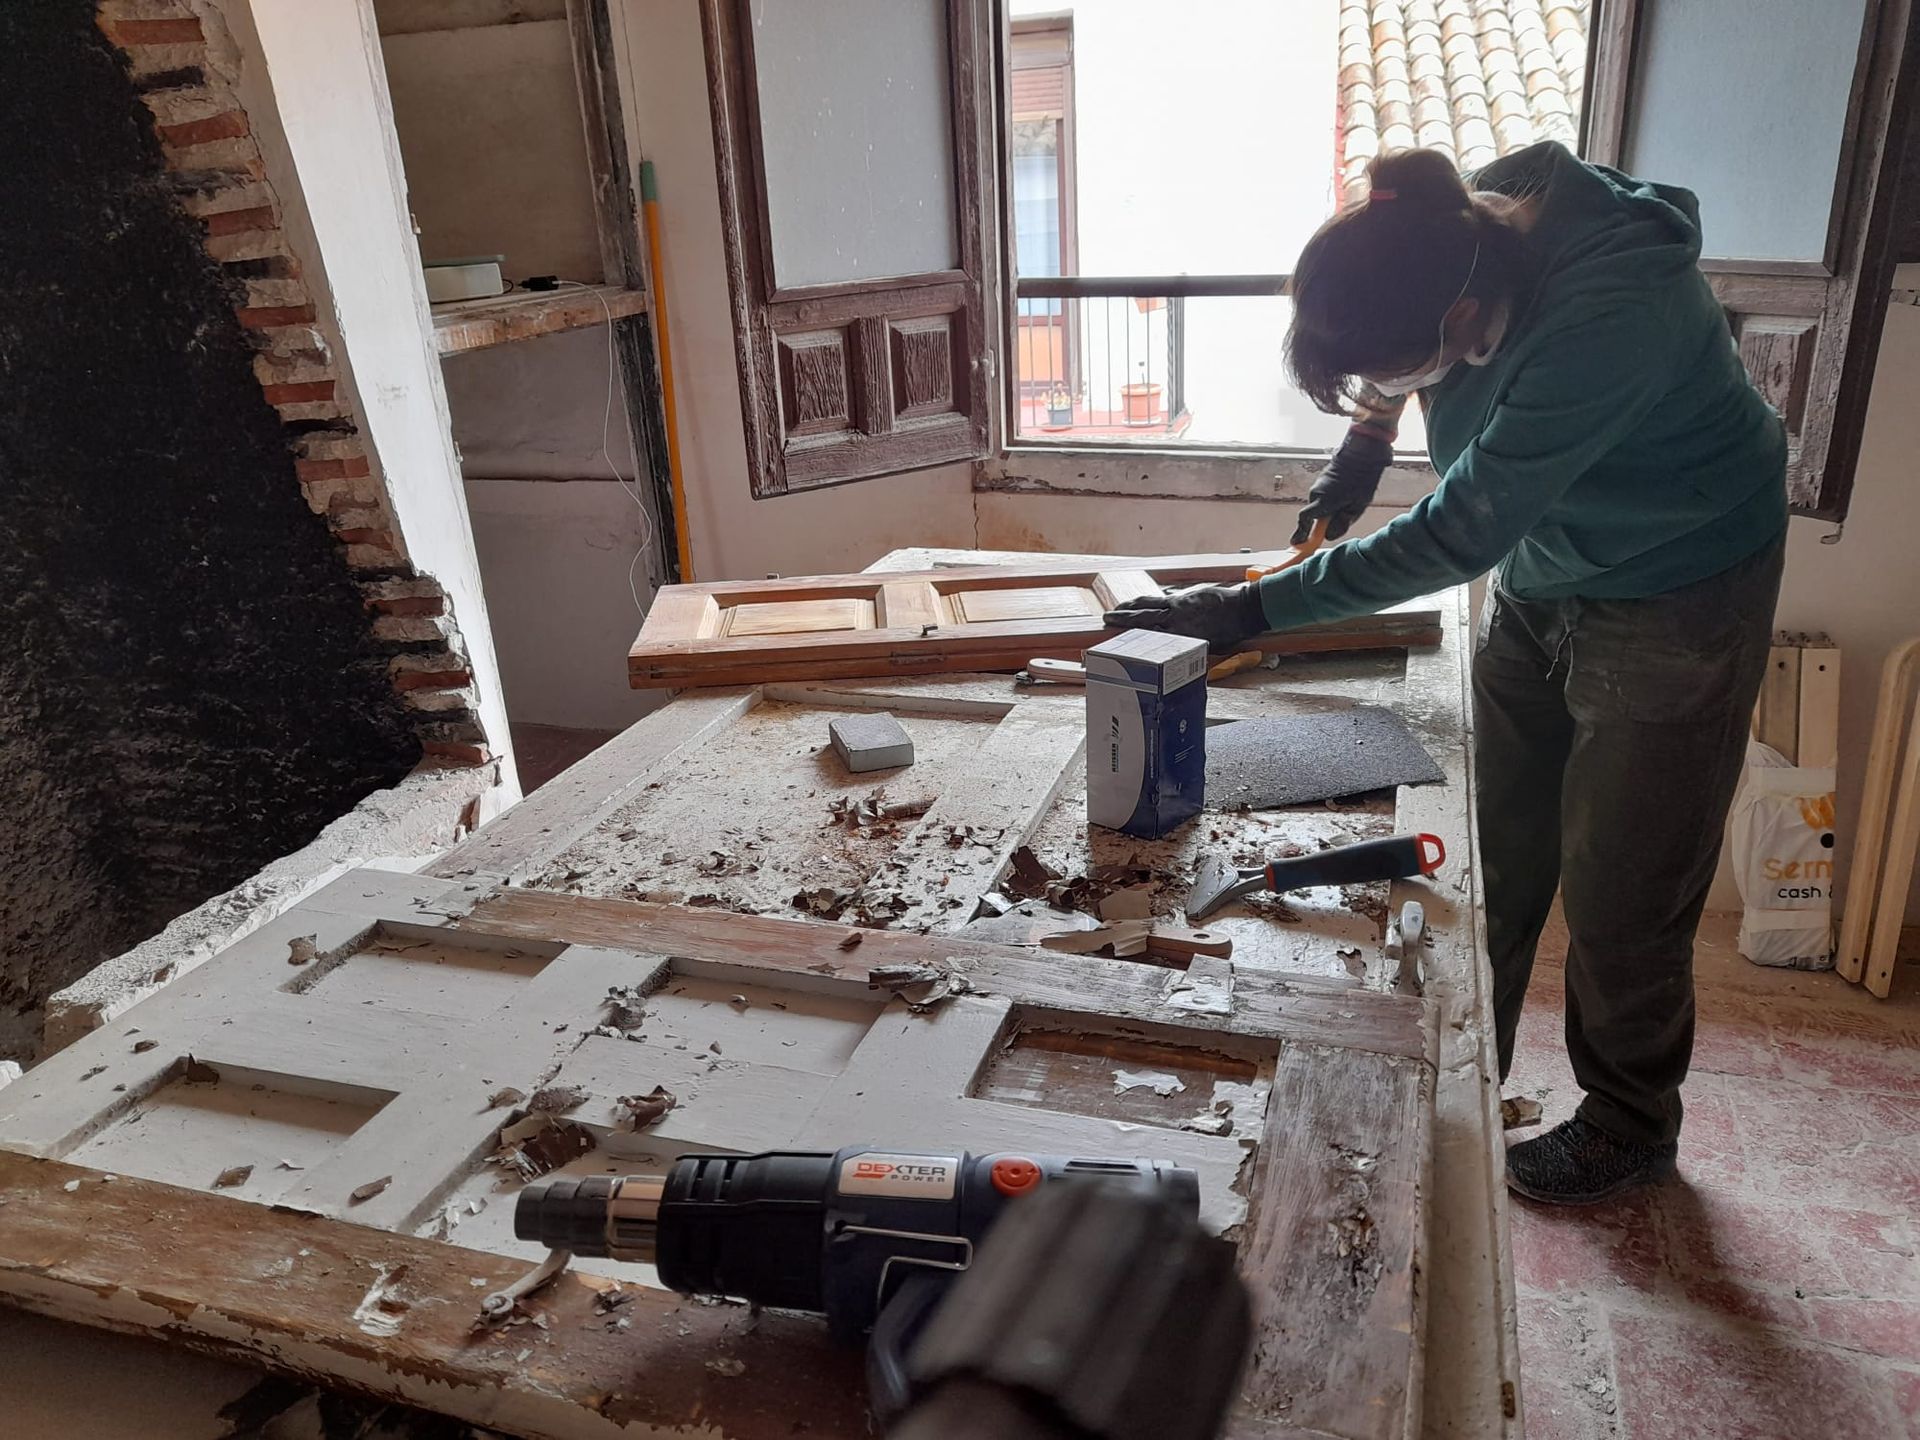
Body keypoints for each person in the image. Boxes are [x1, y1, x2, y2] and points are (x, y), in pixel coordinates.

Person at [1106, 142, 1788, 1206]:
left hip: (1680, 577)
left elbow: (1456, 533)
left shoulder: (1614, 309)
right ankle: (1467, 1077)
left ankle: (1630, 1122)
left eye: (1405, 373)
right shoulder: (1444, 225)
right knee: (1493, 846)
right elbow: (1406, 359)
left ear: (1471, 316)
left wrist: (1246, 609)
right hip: (1549, 561)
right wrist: (1366, 442)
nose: (1398, 390)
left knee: (1624, 882)